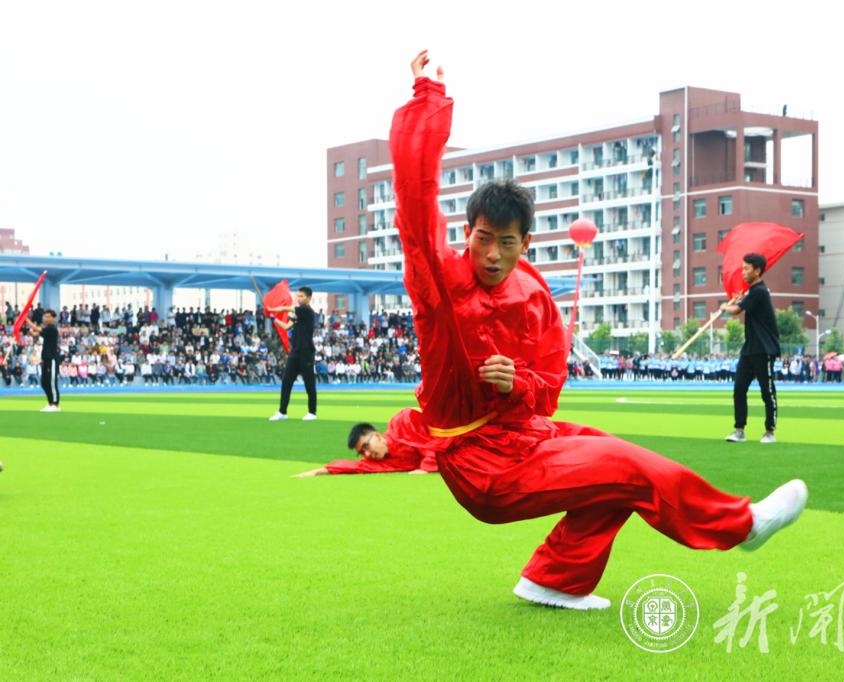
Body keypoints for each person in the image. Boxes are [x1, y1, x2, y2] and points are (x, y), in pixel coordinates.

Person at [387, 50, 807, 611]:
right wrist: (428, 98)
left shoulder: (534, 295)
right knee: (625, 468)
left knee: (615, 458)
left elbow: (547, 392)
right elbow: (415, 207)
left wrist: (517, 383)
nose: (490, 255)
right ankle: (740, 526)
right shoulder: (439, 287)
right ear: (468, 233)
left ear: (525, 244)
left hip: (525, 438)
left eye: (505, 243)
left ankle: (555, 579)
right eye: (482, 239)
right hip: (477, 463)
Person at [719, 254, 781, 444]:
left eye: (746, 269)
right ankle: (739, 430)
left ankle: (769, 431)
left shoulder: (760, 291)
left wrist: (724, 307)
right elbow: (744, 304)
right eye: (743, 268)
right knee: (739, 389)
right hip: (749, 350)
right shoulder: (753, 292)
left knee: (767, 392)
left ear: (757, 271)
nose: (743, 272)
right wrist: (741, 300)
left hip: (764, 349)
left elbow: (737, 310)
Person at [293, 408, 439, 476]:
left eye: (366, 446)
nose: (367, 454)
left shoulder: (402, 421)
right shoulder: (380, 461)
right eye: (362, 452)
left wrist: (425, 468)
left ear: (377, 436)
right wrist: (320, 471)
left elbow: (432, 444)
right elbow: (356, 466)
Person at [267, 286, 318, 421]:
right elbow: (286, 326)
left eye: (301, 296)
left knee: (309, 383)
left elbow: (285, 308)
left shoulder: (307, 311)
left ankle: (312, 412)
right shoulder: (298, 313)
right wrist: (273, 318)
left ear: (308, 298)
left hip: (306, 352)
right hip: (295, 351)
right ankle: (282, 412)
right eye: (298, 296)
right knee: (286, 381)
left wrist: (271, 309)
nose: (298, 298)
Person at [25, 309, 61, 412]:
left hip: (52, 359)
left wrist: (27, 321)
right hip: (45, 359)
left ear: (53, 318)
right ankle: (50, 403)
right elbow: (37, 333)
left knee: (51, 382)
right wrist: (32, 333)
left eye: (48, 317)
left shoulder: (52, 329)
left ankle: (55, 404)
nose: (46, 318)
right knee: (44, 382)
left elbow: (38, 329)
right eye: (45, 317)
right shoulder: (47, 329)